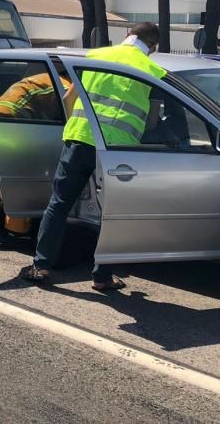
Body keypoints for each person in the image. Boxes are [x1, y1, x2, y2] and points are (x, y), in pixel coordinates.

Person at [21, 23, 166, 291]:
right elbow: (155, 119)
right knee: (112, 213)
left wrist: (72, 127)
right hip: (117, 150)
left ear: (127, 36)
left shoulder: (96, 56)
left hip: (80, 138)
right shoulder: (152, 70)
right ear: (153, 47)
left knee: (59, 204)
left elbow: (68, 96)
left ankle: (41, 266)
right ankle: (102, 277)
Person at [0, 71, 70, 245]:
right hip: (15, 124)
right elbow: (69, 113)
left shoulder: (44, 77)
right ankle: (16, 231)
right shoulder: (66, 87)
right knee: (22, 178)